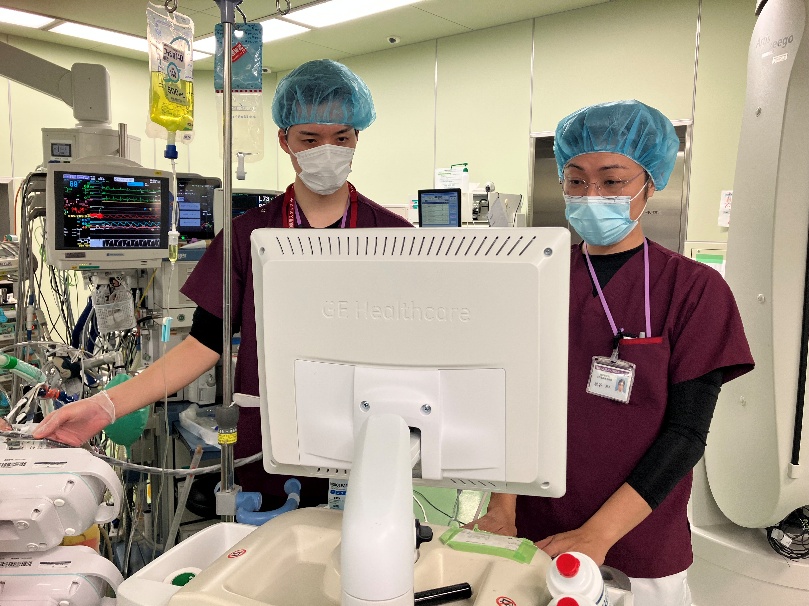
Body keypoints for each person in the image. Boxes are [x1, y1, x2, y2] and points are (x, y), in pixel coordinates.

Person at [33, 59, 413, 510]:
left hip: (367, 437)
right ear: (284, 140)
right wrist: (103, 407)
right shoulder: (247, 235)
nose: (326, 151)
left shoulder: (394, 236)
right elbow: (202, 345)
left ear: (357, 139)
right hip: (271, 442)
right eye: (310, 139)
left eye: (342, 138)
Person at [471, 100, 754, 606]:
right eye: (576, 181)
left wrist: (597, 534)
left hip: (639, 547)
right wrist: (502, 508)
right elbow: (513, 402)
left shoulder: (693, 290)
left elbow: (686, 435)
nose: (592, 196)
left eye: (613, 181)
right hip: (533, 534)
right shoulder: (537, 279)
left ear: (651, 182)